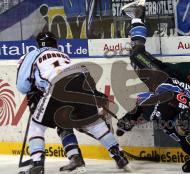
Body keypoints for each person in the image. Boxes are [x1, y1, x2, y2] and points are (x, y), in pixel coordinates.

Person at [116, 1, 190, 173]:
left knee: (148, 110)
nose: (181, 130)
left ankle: (138, 18)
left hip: (172, 88)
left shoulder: (186, 130)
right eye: (183, 127)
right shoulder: (175, 113)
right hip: (163, 78)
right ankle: (138, 13)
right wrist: (127, 121)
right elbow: (143, 101)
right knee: (136, 54)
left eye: (182, 129)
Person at [16, 31, 130, 174]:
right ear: (55, 43)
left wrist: (33, 90)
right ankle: (119, 156)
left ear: (38, 44)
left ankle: (37, 164)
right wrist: (94, 93)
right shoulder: (64, 56)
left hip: (58, 87)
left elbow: (22, 85)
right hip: (81, 85)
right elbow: (84, 73)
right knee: (94, 125)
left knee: (36, 126)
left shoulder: (33, 54)